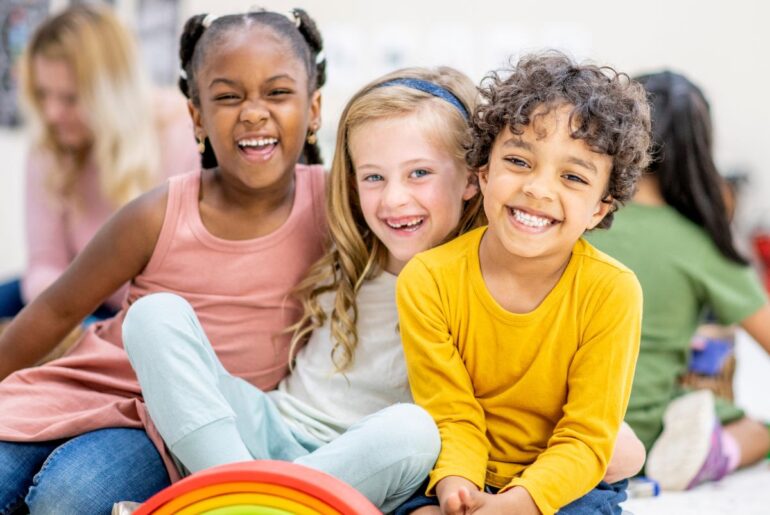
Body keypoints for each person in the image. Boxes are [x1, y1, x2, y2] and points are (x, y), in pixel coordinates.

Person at [0, 9, 326, 514]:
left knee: (67, 497)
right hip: (91, 384)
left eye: (278, 93)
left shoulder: (336, 204)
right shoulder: (157, 212)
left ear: (315, 108)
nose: (254, 112)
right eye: (227, 96)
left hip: (176, 423)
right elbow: (56, 310)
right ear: (196, 116)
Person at [122, 66, 482, 513]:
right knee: (154, 315)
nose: (393, 199)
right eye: (374, 177)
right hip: (260, 432)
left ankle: (236, 504)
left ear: (472, 178)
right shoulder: (350, 254)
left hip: (359, 465)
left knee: (415, 431)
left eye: (419, 173)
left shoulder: (478, 284)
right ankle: (240, 498)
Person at [395, 52, 652, 515]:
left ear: (600, 207)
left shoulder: (613, 291)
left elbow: (586, 437)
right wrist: (458, 489)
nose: (538, 189)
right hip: (460, 468)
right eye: (518, 160)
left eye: (572, 176)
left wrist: (518, 504)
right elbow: (451, 414)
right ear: (485, 172)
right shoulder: (428, 279)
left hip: (566, 483)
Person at [587, 70, 770, 491]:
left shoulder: (581, 217)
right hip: (639, 432)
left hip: (558, 420)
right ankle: (711, 454)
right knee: (759, 429)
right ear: (698, 150)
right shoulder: (699, 242)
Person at [0, 3, 198, 322]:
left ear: (112, 95)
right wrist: (64, 320)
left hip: (147, 313)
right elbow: (44, 266)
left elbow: (183, 285)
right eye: (42, 94)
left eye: (70, 98)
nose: (51, 113)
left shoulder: (182, 136)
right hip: (77, 298)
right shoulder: (49, 143)